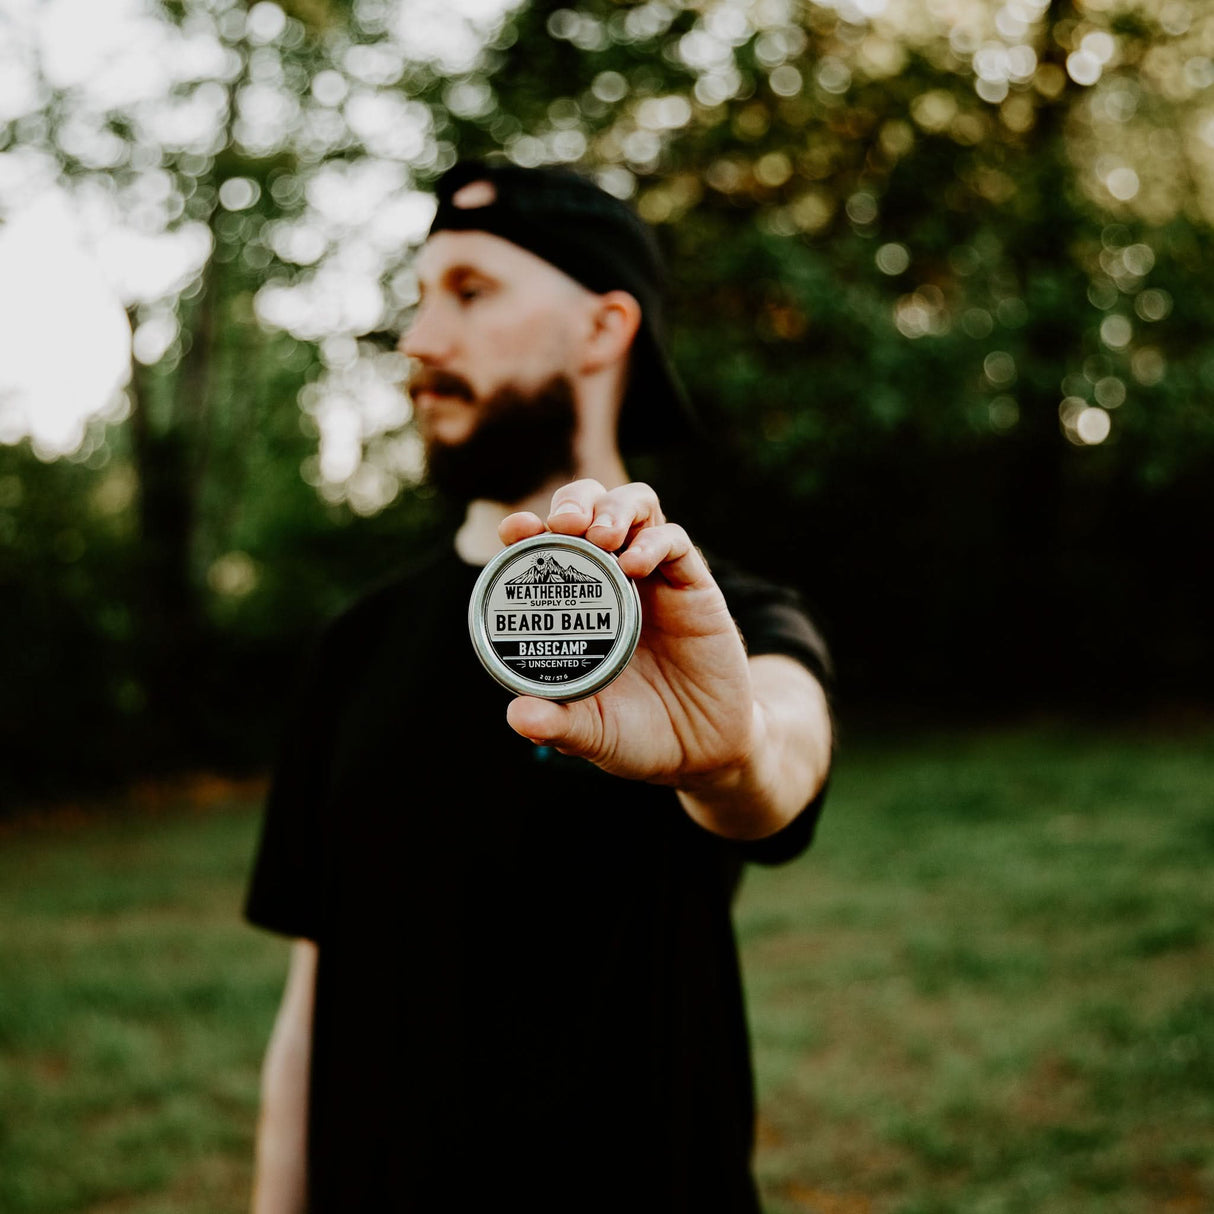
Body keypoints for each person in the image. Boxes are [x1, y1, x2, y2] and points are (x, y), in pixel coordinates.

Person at [244, 159, 835, 1213]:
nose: (420, 340)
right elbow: (311, 1000)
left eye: (470, 292)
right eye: (420, 297)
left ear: (603, 328)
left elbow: (779, 750)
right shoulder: (353, 644)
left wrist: (730, 748)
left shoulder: (713, 620)